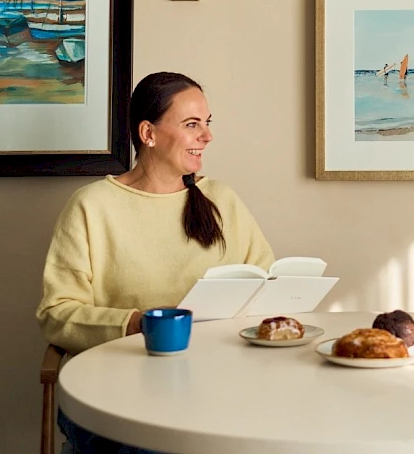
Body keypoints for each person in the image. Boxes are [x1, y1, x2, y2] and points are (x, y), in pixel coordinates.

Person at [36, 72, 275, 454]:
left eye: (207, 124)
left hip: (219, 387)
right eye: (192, 124)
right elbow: (56, 313)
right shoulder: (91, 206)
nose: (207, 136)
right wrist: (135, 323)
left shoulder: (222, 200)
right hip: (118, 394)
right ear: (148, 133)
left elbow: (266, 283)